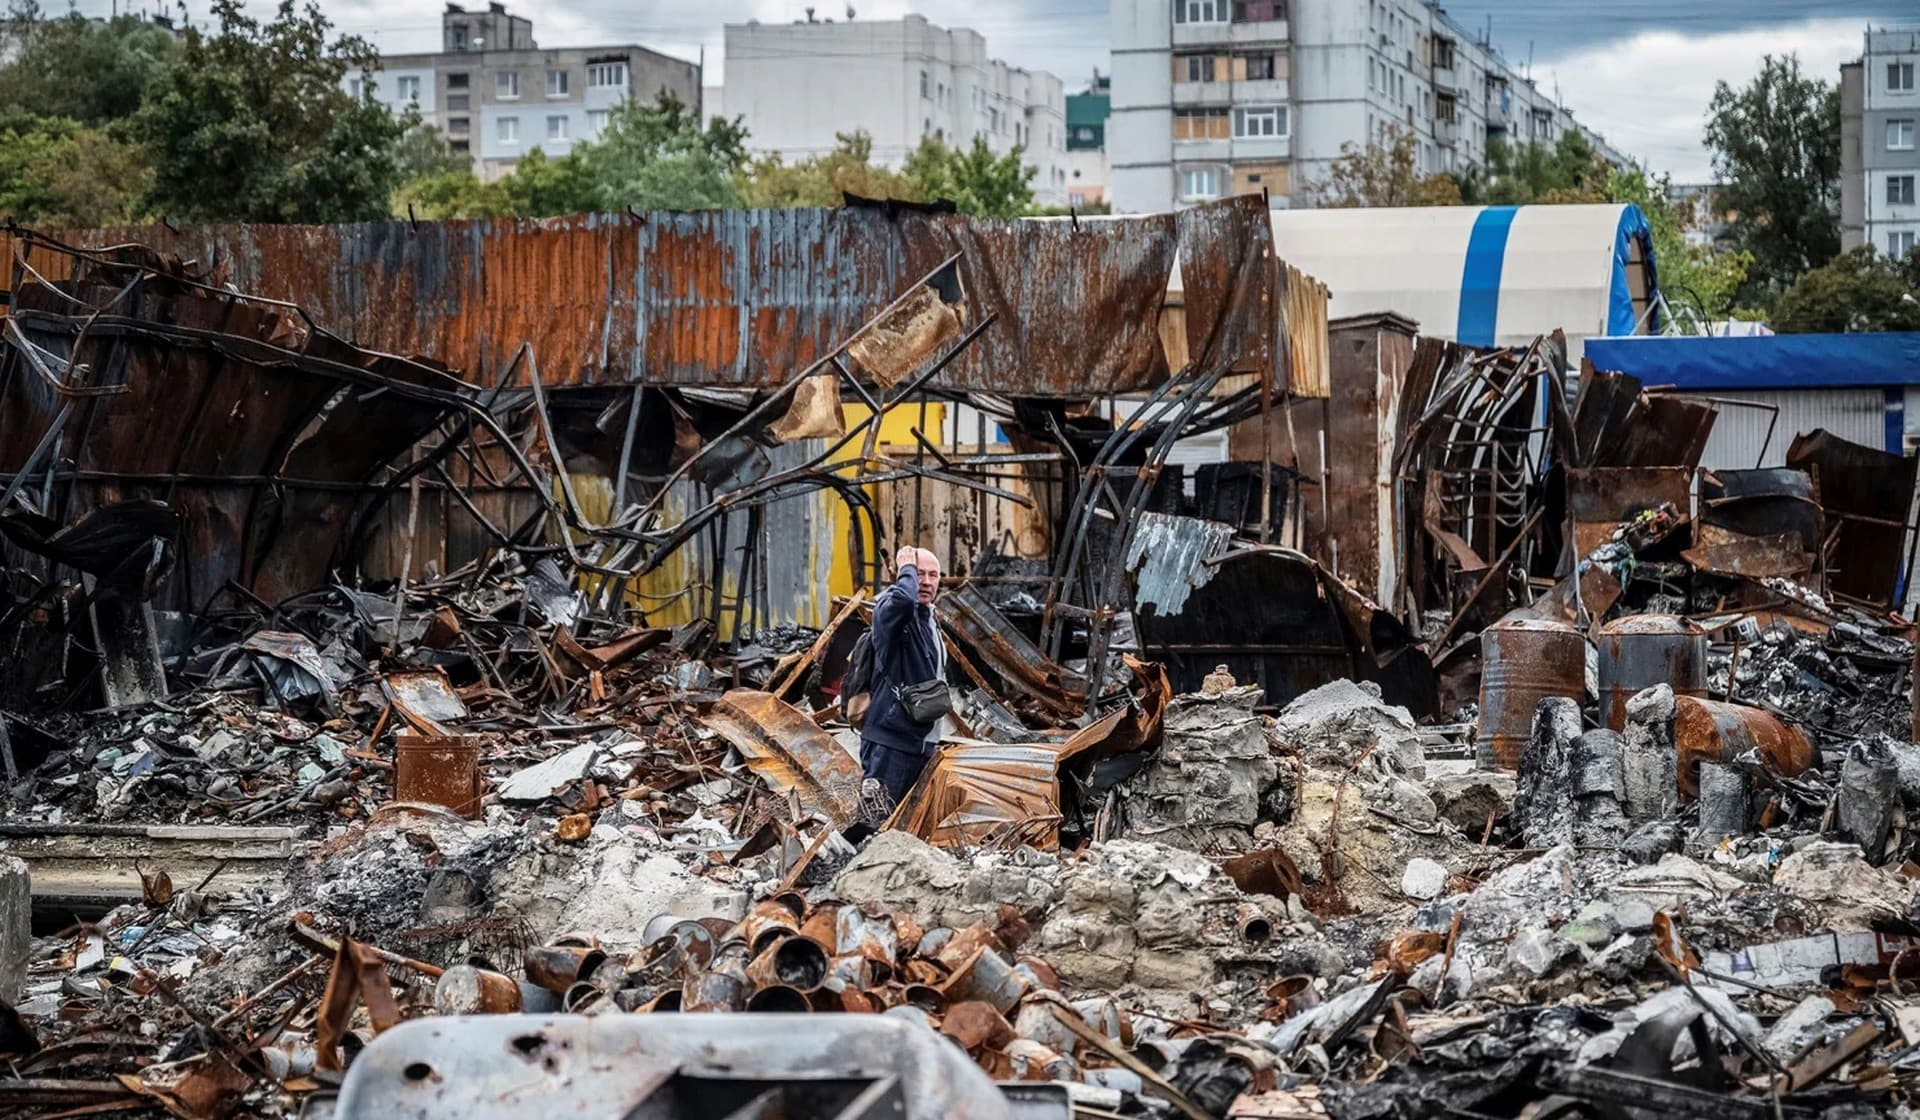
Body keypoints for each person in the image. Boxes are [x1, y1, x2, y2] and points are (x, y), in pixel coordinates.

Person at [858, 545, 946, 819]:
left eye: (933, 575)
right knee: (873, 827)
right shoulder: (891, 613)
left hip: (921, 745)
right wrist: (905, 567)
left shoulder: (927, 617)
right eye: (919, 574)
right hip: (890, 746)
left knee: (906, 830)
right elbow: (903, 601)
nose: (927, 582)